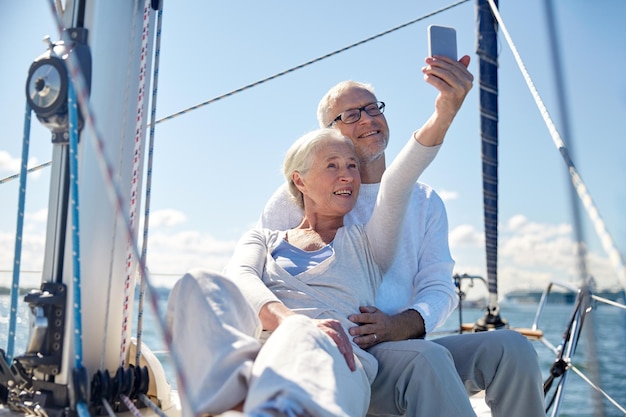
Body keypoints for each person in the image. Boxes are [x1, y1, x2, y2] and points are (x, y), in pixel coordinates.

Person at [258, 56, 546, 416]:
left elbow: (439, 287)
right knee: (426, 358)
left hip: (409, 345)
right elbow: (267, 277)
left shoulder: (424, 201)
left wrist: (398, 325)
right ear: (329, 134)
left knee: (512, 348)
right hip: (349, 353)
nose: (367, 118)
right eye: (350, 115)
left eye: (372, 108)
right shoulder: (295, 199)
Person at [167, 125, 450, 417]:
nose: (348, 175)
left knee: (303, 335)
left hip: (336, 363)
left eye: (352, 165)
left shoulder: (369, 243)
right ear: (300, 181)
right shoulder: (262, 239)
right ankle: (225, 407)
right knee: (197, 282)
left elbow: (398, 181)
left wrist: (443, 114)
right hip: (266, 353)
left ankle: (274, 408)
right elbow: (240, 278)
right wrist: (290, 321)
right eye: (332, 165)